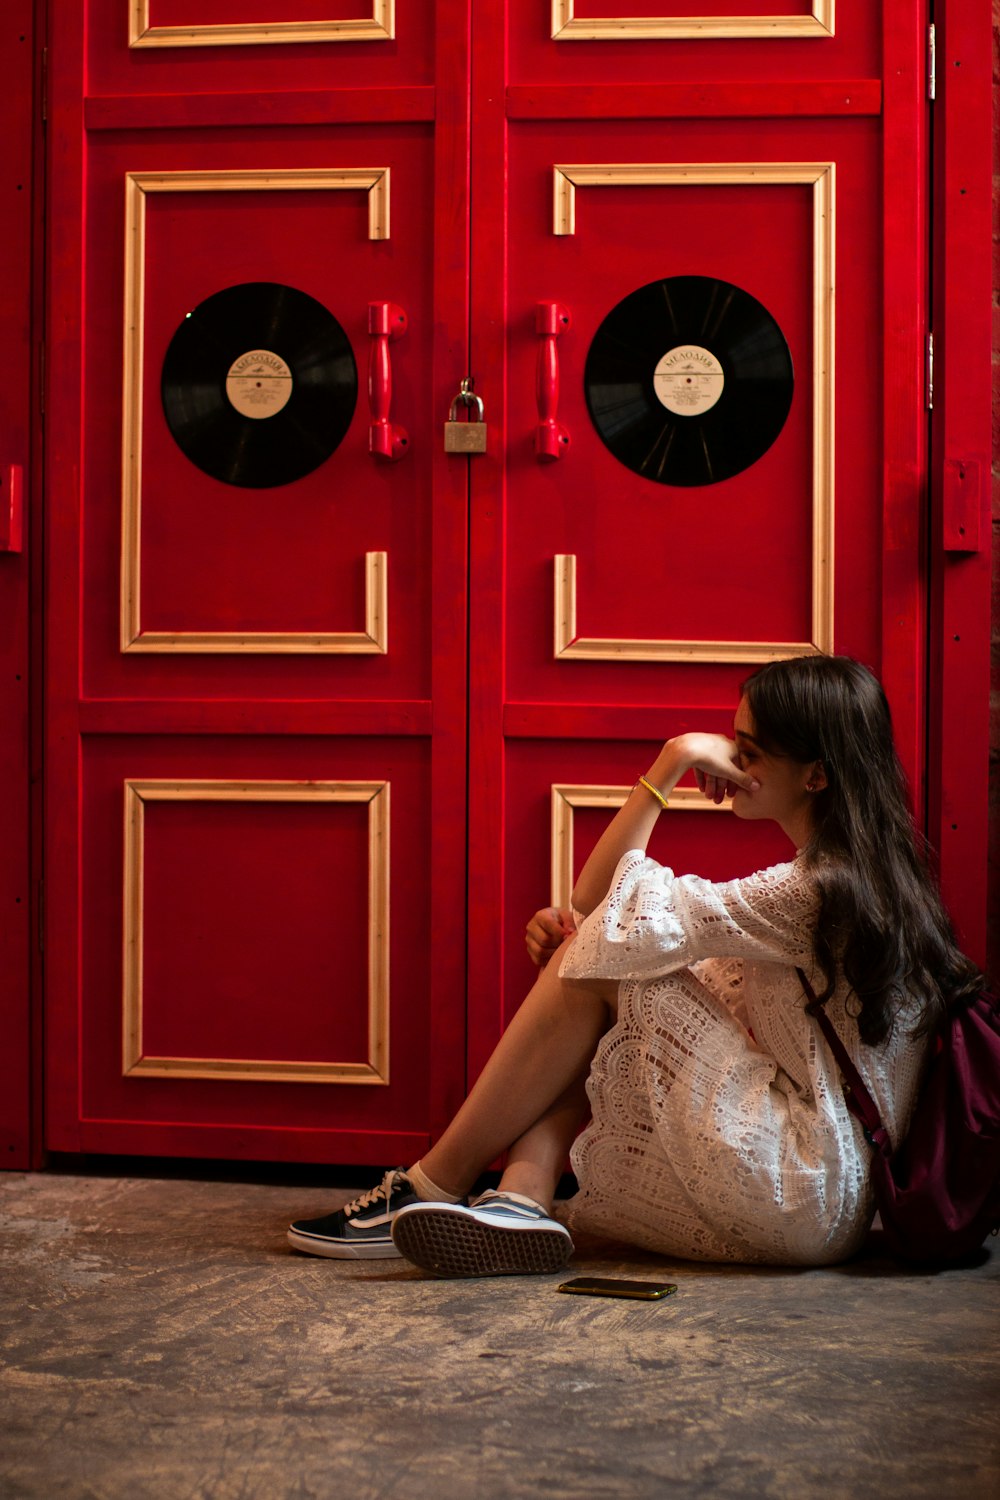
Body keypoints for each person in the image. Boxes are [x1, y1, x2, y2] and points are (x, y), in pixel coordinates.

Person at [288, 655, 981, 1275]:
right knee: (601, 952)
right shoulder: (868, 880)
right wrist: (582, 946)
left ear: (816, 775)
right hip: (830, 1196)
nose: (732, 768)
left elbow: (596, 896)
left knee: (602, 951)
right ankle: (519, 1197)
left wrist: (672, 759)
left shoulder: (810, 890)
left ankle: (434, 1183)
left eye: (747, 752)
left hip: (801, 1187)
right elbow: (680, 973)